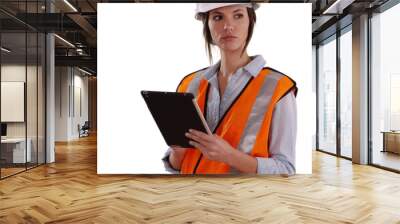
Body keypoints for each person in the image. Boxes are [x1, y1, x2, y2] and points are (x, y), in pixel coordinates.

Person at [162, 3, 297, 175]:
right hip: (191, 196)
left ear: (250, 21)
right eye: (218, 17)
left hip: (243, 198)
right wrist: (177, 152)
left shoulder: (278, 86)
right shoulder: (189, 84)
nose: (228, 26)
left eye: (238, 15)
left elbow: (285, 169)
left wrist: (230, 156)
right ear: (207, 26)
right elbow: (176, 165)